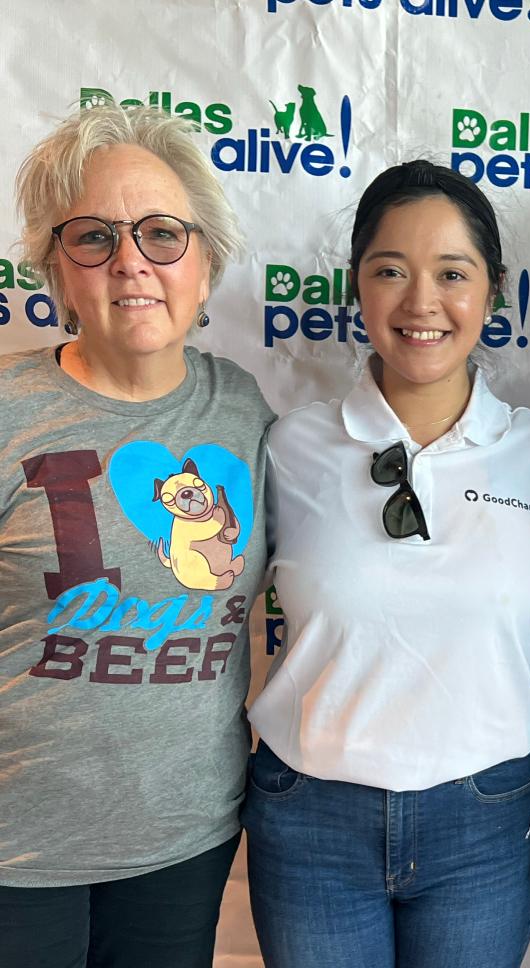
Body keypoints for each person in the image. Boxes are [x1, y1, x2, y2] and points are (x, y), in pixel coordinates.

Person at [243, 159, 530, 968]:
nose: (421, 302)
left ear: (494, 292)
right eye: (390, 271)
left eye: (452, 274)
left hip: (485, 816)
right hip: (308, 818)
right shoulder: (288, 447)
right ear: (356, 287)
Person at [0, 105, 273, 968]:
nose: (131, 264)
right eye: (93, 238)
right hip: (16, 849)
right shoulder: (7, 408)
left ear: (205, 261)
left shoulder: (245, 412)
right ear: (55, 265)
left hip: (183, 841)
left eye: (162, 234)